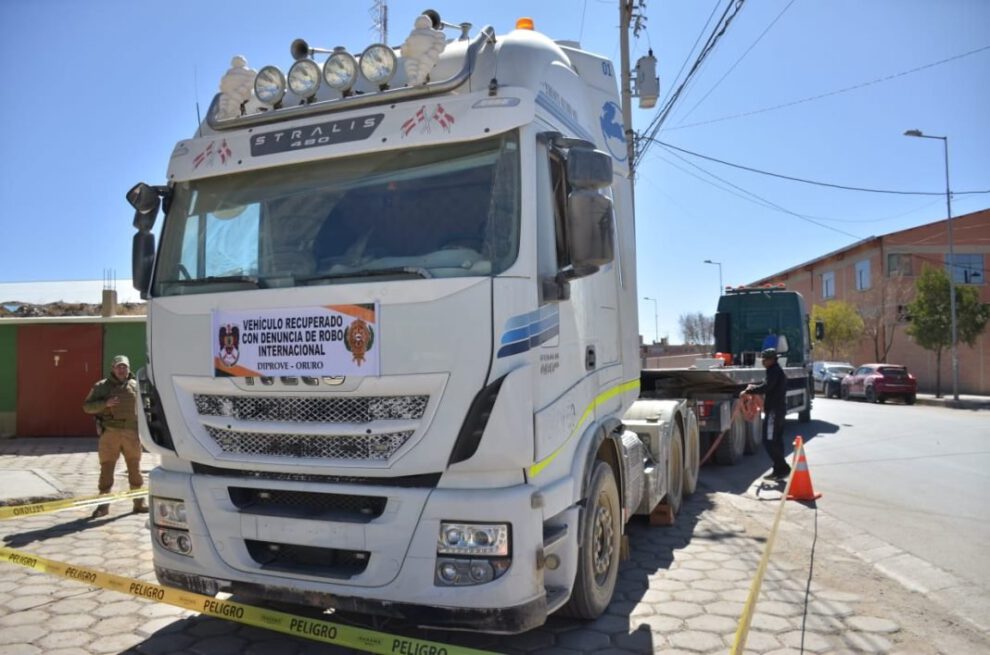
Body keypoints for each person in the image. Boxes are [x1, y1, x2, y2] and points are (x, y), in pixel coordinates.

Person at [82, 355, 148, 517]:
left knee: (135, 469)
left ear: (128, 368)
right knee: (107, 469)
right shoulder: (102, 387)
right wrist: (105, 403)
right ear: (113, 368)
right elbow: (87, 407)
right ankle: (103, 506)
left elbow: (145, 406)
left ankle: (139, 503)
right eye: (118, 367)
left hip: (132, 434)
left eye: (124, 367)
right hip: (110, 434)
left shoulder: (135, 385)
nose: (121, 370)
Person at [741, 348, 792, 481]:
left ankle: (783, 468)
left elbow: (767, 387)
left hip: (774, 411)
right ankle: (778, 470)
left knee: (769, 441)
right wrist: (754, 388)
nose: (763, 361)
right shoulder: (774, 370)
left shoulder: (774, 371)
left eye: (765, 359)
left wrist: (749, 392)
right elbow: (767, 385)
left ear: (772, 359)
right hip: (778, 410)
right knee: (776, 440)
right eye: (762, 359)